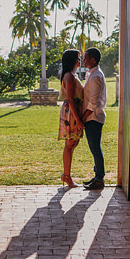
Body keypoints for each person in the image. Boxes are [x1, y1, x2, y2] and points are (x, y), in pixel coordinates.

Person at [57, 48, 85, 188]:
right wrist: (78, 119)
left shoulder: (72, 75)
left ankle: (66, 175)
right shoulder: (69, 76)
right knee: (69, 144)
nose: (80, 61)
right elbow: (71, 99)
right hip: (71, 112)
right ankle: (66, 176)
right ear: (73, 60)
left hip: (74, 110)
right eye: (78, 58)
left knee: (73, 143)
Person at [81, 47, 107, 190]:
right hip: (91, 117)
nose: (83, 61)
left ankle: (99, 178)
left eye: (85, 58)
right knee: (94, 148)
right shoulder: (92, 74)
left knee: (96, 148)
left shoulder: (96, 76)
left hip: (94, 117)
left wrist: (82, 118)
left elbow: (94, 101)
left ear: (92, 59)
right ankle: (97, 176)